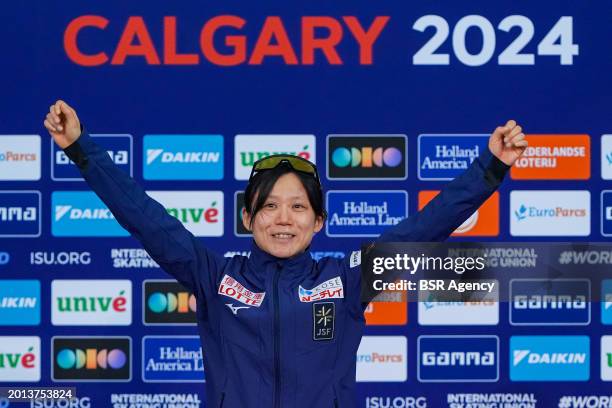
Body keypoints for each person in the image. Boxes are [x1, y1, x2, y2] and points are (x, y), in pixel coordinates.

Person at [44, 100, 527, 408]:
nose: (282, 219)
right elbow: (144, 216)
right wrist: (80, 147)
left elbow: (426, 225)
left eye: (298, 207)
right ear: (248, 218)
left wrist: (489, 169)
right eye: (269, 206)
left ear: (319, 222)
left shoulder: (346, 280)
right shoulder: (214, 276)